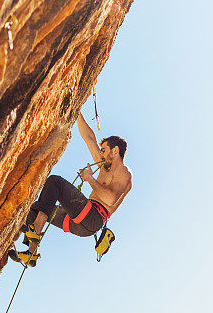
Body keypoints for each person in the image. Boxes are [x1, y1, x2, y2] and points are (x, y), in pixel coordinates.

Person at [10, 110, 132, 266]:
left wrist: (89, 179)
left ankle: (35, 232)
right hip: (80, 225)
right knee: (34, 209)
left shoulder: (123, 172)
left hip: (93, 217)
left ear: (115, 151)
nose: (100, 153)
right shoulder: (105, 166)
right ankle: (31, 253)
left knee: (55, 182)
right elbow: (89, 138)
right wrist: (78, 111)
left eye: (104, 150)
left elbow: (110, 198)